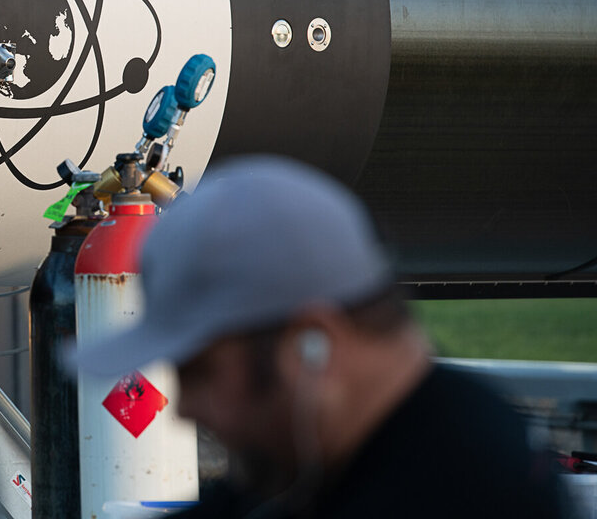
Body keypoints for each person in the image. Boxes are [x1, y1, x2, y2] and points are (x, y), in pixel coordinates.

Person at [73, 155, 566, 519]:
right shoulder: (323, 459)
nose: (184, 408)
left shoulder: (469, 487)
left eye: (200, 371)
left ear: (311, 345)